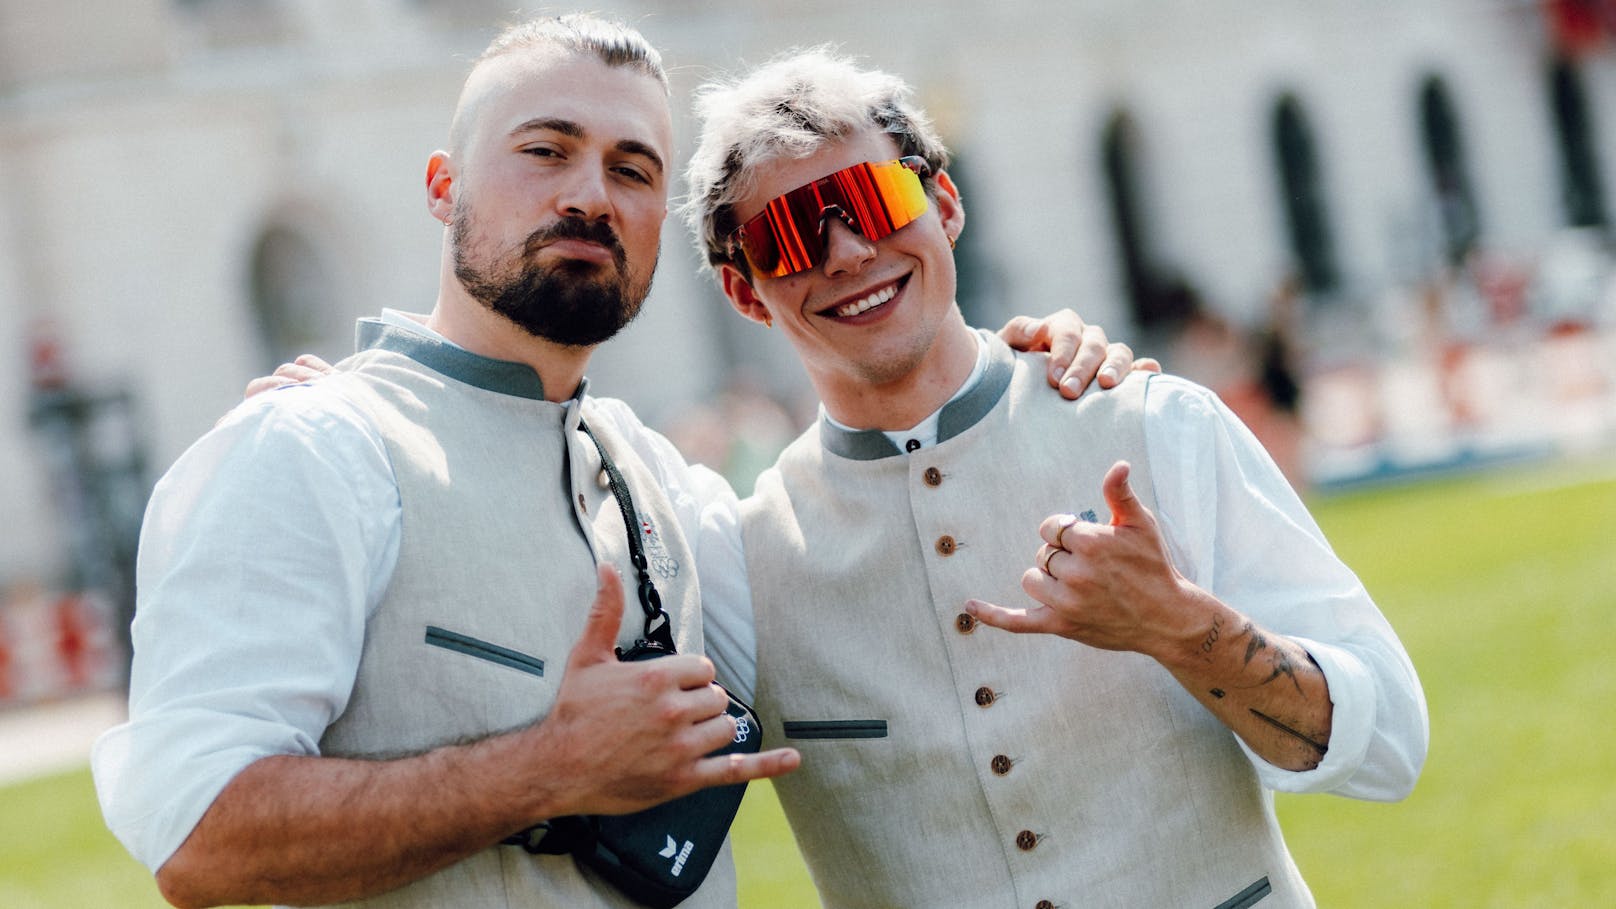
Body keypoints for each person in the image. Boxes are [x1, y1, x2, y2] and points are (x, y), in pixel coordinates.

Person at [94, 15, 1137, 909]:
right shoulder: (311, 448)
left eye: (631, 169)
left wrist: (1013, 374)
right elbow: (196, 834)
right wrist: (544, 773)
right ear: (442, 186)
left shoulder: (661, 483)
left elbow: (884, 564)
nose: (589, 194)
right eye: (545, 151)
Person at [680, 48, 1428, 908]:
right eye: (788, 235)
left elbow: (1391, 746)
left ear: (944, 204)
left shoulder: (1151, 424)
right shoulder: (743, 560)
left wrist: (1186, 629)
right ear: (744, 292)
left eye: (871, 201)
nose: (846, 250)